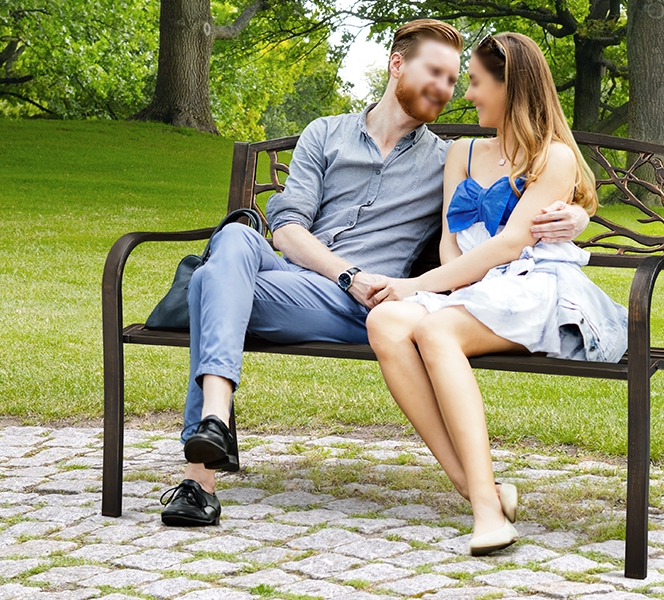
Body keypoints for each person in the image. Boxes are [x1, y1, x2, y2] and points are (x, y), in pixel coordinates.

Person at [159, 19, 591, 527]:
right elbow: (286, 230)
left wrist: (578, 217)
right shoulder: (325, 134)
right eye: (436, 72)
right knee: (231, 239)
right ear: (396, 64)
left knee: (210, 283)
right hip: (310, 281)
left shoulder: (444, 159)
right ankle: (214, 421)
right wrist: (346, 274)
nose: (447, 89)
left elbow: (522, 200)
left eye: (455, 80)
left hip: (363, 306)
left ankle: (200, 474)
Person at [365, 32, 629, 556]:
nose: (467, 95)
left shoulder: (553, 158)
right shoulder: (460, 152)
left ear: (512, 88)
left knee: (435, 327)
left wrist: (413, 288)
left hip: (533, 288)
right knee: (386, 323)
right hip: (477, 287)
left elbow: (511, 243)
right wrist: (443, 289)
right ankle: (474, 486)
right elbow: (449, 242)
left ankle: (487, 512)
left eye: (477, 83)